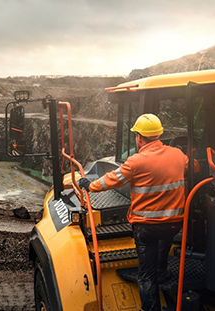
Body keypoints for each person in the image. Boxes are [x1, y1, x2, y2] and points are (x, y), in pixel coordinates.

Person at [78, 113, 193, 311]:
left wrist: (89, 186)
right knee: (164, 244)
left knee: (146, 275)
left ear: (139, 138)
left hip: (146, 227)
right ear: (159, 135)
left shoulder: (136, 161)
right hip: (174, 224)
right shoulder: (178, 155)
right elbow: (194, 167)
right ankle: (162, 270)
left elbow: (110, 180)